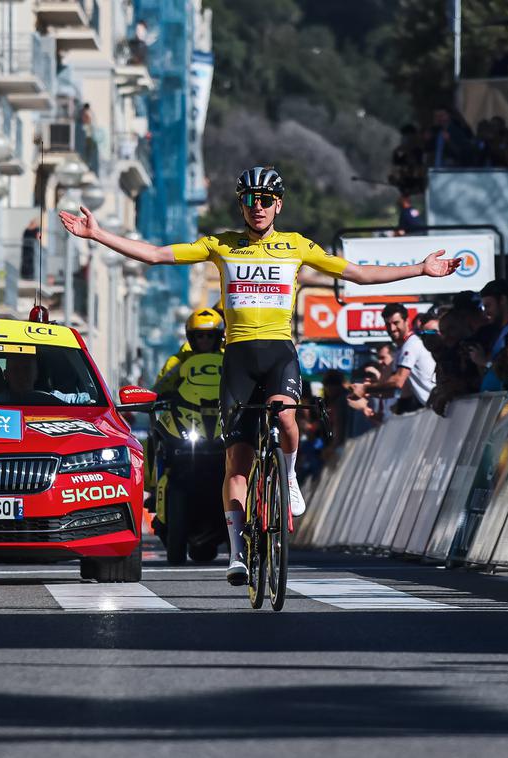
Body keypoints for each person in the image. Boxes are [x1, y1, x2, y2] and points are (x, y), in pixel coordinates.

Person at [59, 165, 460, 585]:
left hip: (279, 354)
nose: (258, 207)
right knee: (235, 464)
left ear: (278, 205)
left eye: (265, 200)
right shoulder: (222, 245)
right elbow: (158, 255)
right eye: (250, 200)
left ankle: (286, 477)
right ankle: (236, 554)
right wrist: (97, 235)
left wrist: (419, 269)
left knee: (286, 416)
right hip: (238, 359)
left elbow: (357, 274)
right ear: (241, 205)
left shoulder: (296, 246)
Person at [362, 303, 437, 414]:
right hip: (433, 408)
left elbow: (397, 382)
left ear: (406, 321)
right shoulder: (401, 349)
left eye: (396, 323)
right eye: (388, 324)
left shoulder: (411, 344)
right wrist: (369, 390)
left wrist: (365, 389)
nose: (392, 328)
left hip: (443, 407)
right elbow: (393, 390)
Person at [154, 308, 224, 396]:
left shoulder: (228, 358)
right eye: (200, 336)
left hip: (224, 407)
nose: (205, 339)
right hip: (187, 409)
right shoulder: (178, 361)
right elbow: (159, 389)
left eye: (210, 335)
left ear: (217, 337)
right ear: (192, 338)